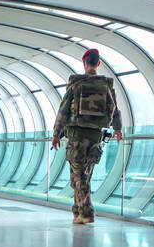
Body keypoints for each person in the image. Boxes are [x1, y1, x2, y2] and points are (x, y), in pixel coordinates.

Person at [51, 48, 122, 225]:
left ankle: (87, 212)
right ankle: (77, 213)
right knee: (84, 175)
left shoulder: (76, 83)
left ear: (84, 63)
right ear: (98, 63)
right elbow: (115, 109)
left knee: (79, 176)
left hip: (76, 136)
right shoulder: (106, 85)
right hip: (96, 136)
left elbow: (64, 110)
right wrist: (118, 129)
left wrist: (56, 134)